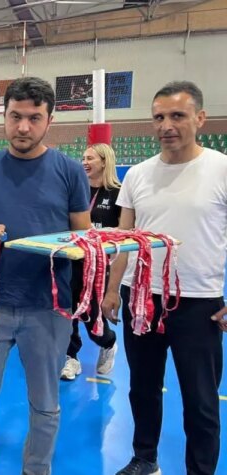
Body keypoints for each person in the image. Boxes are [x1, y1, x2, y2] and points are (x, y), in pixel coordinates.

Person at [0, 77, 91, 475]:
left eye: (34, 118)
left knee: (46, 405)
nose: (23, 127)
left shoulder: (70, 171)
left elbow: (84, 238)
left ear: (49, 121)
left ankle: (37, 470)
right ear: (4, 116)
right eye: (15, 116)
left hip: (48, 306)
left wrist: (61, 246)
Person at [102, 81, 227, 475]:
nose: (166, 125)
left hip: (199, 303)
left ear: (200, 118)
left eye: (177, 115)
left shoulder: (221, 169)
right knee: (142, 388)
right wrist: (112, 290)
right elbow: (125, 239)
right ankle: (145, 459)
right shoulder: (138, 175)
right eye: (159, 117)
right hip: (141, 298)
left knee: (201, 400)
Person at [61, 143, 121, 381]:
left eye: (90, 158)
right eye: (83, 158)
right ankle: (70, 357)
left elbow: (125, 230)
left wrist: (105, 234)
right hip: (71, 259)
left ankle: (108, 342)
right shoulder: (77, 190)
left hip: (98, 264)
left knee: (91, 313)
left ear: (104, 161)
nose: (84, 162)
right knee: (67, 310)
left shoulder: (117, 193)